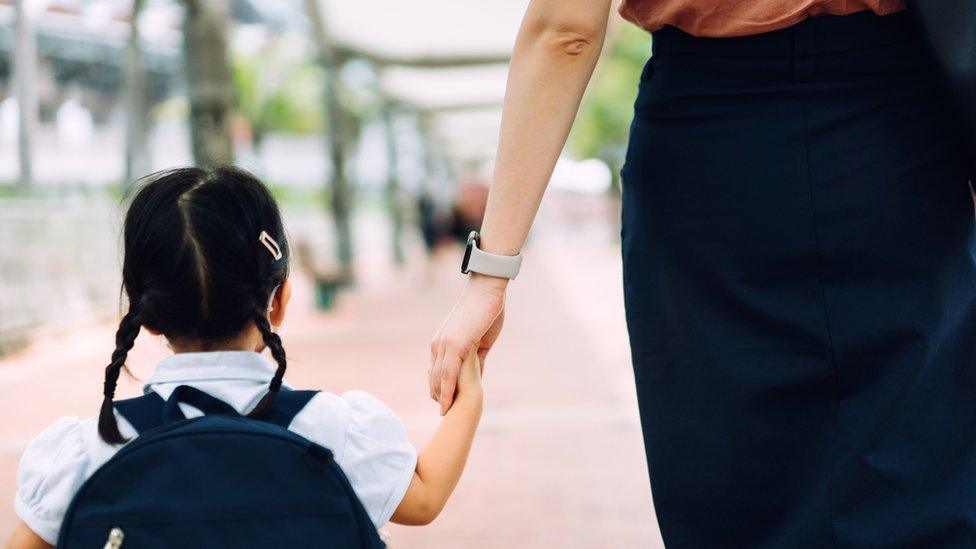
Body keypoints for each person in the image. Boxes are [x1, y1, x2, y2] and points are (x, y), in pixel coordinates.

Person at [429, 0, 976, 546]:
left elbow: (565, 32)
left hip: (708, 142)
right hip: (895, 132)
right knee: (920, 447)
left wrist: (491, 276)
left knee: (731, 475)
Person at [6, 167, 483, 548]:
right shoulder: (328, 429)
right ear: (279, 300)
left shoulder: (89, 450)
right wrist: (471, 396)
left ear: (146, 315)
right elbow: (424, 497)